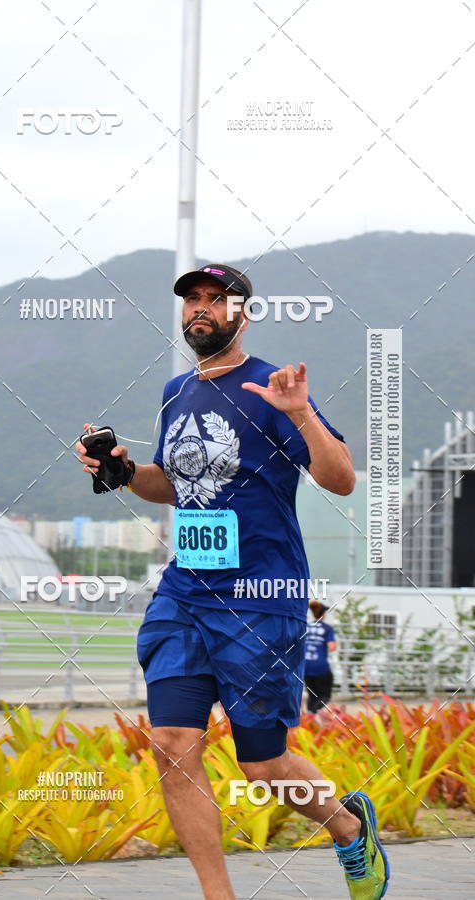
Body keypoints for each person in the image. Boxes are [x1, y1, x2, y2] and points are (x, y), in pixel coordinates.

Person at [76, 263, 390, 900]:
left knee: (263, 764)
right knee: (171, 742)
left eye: (217, 299)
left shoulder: (269, 386)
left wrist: (301, 415)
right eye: (192, 298)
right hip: (185, 592)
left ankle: (348, 828)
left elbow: (340, 479)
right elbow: (174, 485)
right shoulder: (176, 391)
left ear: (244, 313)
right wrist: (123, 471)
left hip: (261, 595)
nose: (201, 308)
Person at [305, 601, 337, 713]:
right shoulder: (327, 628)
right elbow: (332, 647)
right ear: (323, 615)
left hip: (305, 666)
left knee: (312, 695)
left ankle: (310, 715)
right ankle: (312, 711)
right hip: (320, 666)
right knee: (324, 696)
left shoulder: (306, 627)